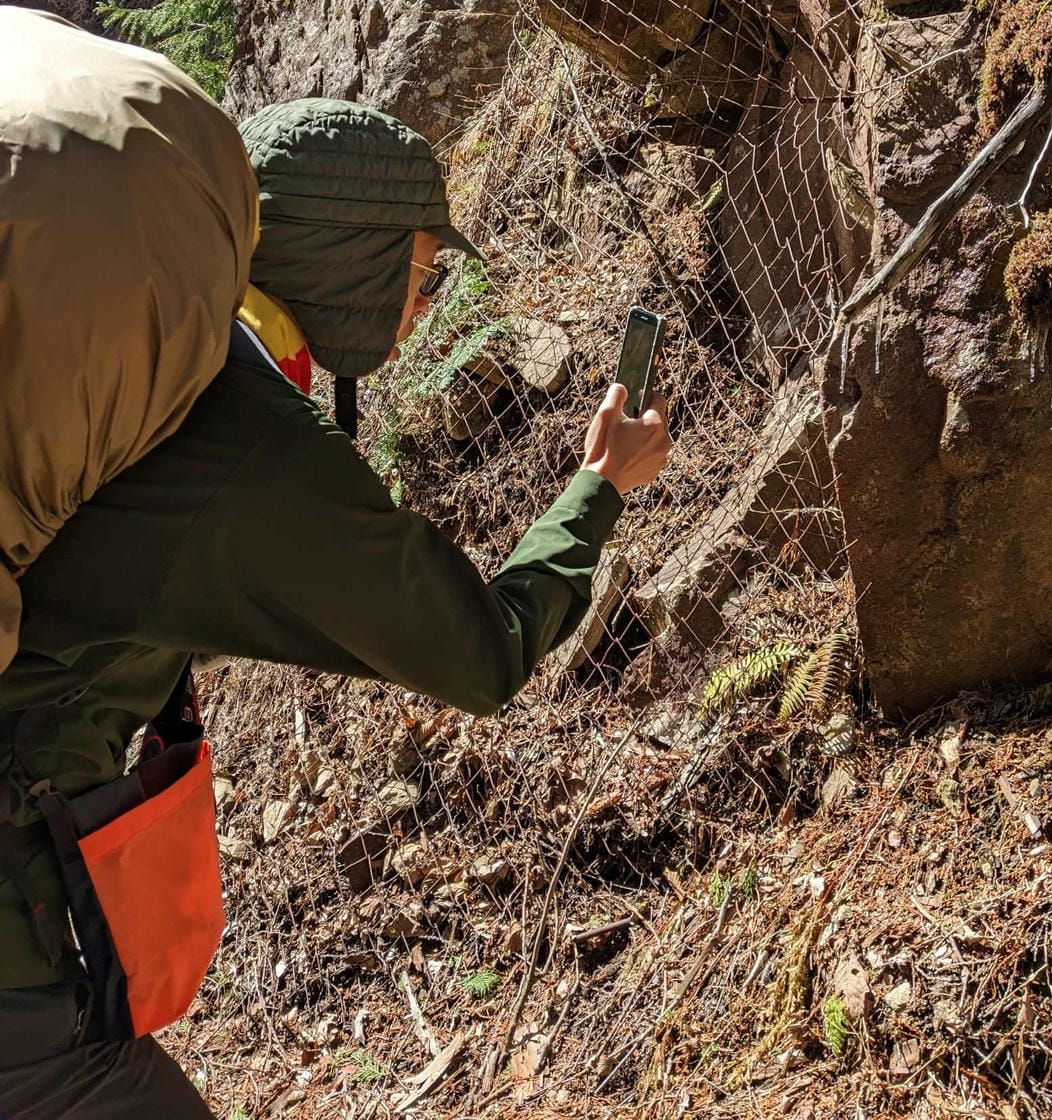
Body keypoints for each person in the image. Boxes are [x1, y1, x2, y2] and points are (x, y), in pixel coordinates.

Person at [0, 97, 671, 1117]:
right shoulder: (238, 441)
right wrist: (599, 489)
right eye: (416, 274)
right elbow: (479, 652)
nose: (422, 309)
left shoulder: (152, 359)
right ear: (346, 261)